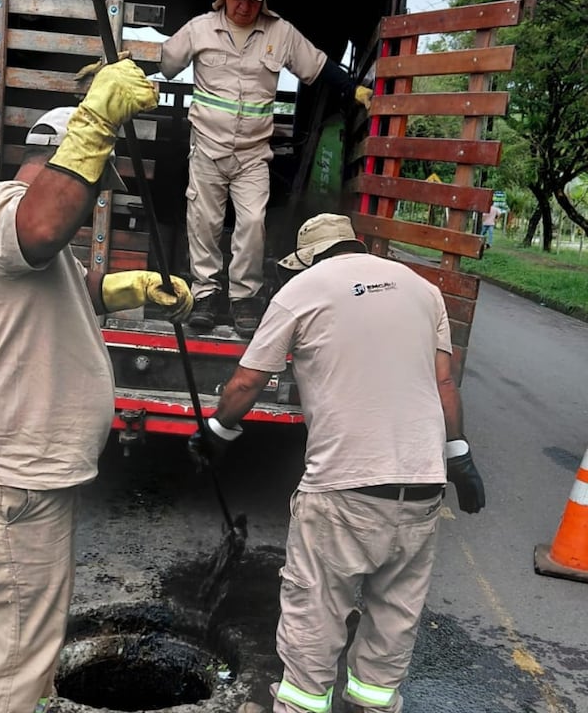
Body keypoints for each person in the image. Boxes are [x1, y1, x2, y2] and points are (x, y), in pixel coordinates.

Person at [0, 59, 192, 713]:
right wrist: (98, 118)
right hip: (11, 480)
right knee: (12, 667)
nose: (96, 197)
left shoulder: (33, 247)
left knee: (26, 652)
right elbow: (44, 225)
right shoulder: (2, 212)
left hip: (24, 479)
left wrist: (135, 289)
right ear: (63, 159)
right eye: (95, 179)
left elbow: (74, 291)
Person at [189, 213, 485, 713]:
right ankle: (373, 704)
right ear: (355, 245)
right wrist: (459, 456)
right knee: (394, 619)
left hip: (343, 489)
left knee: (315, 618)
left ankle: (301, 706)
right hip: (421, 489)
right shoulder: (423, 290)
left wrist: (219, 430)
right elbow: (443, 383)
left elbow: (247, 381)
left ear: (308, 258)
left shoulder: (302, 291)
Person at [160, 0, 372, 338]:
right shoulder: (199, 29)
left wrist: (353, 89)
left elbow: (317, 65)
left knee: (253, 223)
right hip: (206, 147)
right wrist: (124, 64)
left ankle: (244, 298)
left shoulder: (280, 33)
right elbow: (165, 64)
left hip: (253, 153)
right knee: (203, 222)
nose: (244, 6)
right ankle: (205, 294)